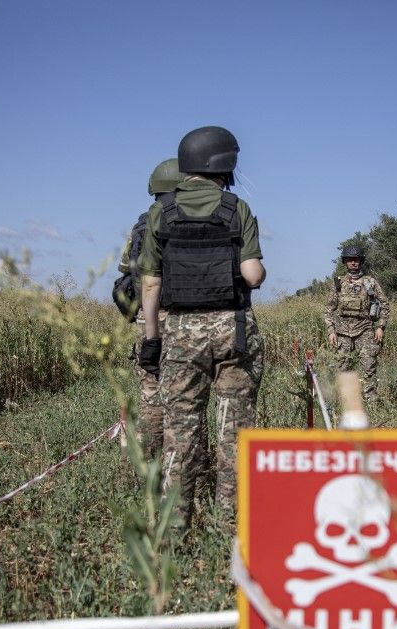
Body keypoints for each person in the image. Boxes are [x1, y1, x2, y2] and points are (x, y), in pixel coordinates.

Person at [136, 126, 265, 528]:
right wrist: (254, 267)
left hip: (180, 335)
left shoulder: (161, 213)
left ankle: (176, 526)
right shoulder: (236, 208)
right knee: (234, 431)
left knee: (181, 431)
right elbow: (253, 275)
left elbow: (151, 282)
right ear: (223, 163)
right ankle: (232, 524)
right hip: (233, 332)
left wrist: (152, 339)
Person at [113, 158, 186, 456]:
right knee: (185, 394)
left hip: (149, 315)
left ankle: (151, 463)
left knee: (151, 392)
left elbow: (125, 269)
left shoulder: (141, 224)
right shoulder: (193, 219)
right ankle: (182, 462)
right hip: (188, 316)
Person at [324, 245, 389, 404]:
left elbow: (385, 304)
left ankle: (371, 402)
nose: (353, 262)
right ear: (345, 262)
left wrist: (380, 326)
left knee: (369, 368)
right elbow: (329, 309)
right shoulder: (338, 283)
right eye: (350, 259)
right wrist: (331, 330)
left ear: (361, 261)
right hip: (342, 332)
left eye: (356, 259)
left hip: (365, 330)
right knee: (342, 369)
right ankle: (343, 403)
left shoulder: (370, 282)